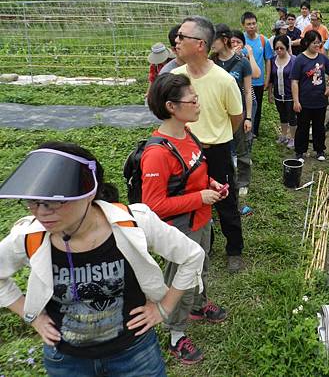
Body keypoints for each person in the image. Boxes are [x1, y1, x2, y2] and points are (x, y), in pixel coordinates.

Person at [0, 142, 205, 376]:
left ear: (88, 193)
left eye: (53, 201)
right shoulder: (28, 237)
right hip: (66, 360)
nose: (41, 212)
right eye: (33, 202)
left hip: (135, 354)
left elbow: (192, 255)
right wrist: (32, 317)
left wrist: (164, 308)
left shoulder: (133, 222)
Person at [142, 73, 227, 364]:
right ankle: (176, 333)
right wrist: (199, 198)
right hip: (179, 228)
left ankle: (199, 305)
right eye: (192, 100)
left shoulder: (187, 134)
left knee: (200, 265)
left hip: (200, 220)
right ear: (171, 107)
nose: (198, 104)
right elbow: (153, 205)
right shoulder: (156, 153)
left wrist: (210, 184)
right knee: (181, 277)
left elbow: (193, 173)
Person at [172, 16, 245, 273]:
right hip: (185, 154)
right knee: (192, 201)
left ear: (200, 44)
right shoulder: (175, 78)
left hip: (218, 151)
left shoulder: (224, 80)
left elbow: (236, 117)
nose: (176, 41)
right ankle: (203, 246)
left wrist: (217, 137)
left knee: (225, 201)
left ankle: (234, 249)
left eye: (182, 37)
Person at [211, 24, 255, 197]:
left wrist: (248, 117)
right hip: (216, 114)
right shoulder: (211, 61)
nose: (211, 43)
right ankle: (222, 179)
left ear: (224, 39)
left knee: (242, 148)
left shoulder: (242, 62)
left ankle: (243, 181)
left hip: (237, 113)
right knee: (219, 149)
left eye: (213, 39)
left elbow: (248, 93)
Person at [291, 30, 329, 161]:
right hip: (304, 100)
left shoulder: (322, 58)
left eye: (319, 42)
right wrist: (296, 101)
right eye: (314, 43)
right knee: (302, 127)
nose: (317, 45)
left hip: (320, 100)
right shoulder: (300, 59)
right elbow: (294, 81)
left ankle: (320, 150)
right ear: (307, 43)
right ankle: (300, 151)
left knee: (319, 126)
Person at [241, 11, 273, 138]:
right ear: (243, 25)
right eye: (248, 24)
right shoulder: (240, 40)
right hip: (243, 81)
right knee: (243, 105)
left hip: (258, 81)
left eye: (254, 23)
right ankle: (243, 128)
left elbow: (268, 60)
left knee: (257, 106)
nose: (252, 26)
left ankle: (254, 131)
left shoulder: (263, 40)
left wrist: (267, 78)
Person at [266, 34, 297, 149]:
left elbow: (297, 80)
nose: (279, 51)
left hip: (291, 96)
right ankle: (284, 135)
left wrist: (297, 98)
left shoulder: (294, 60)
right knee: (282, 115)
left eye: (282, 48)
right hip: (278, 95)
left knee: (292, 117)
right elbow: (271, 79)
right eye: (277, 48)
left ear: (287, 47)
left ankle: (293, 138)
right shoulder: (273, 60)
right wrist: (270, 94)